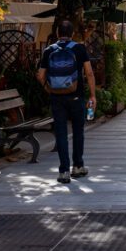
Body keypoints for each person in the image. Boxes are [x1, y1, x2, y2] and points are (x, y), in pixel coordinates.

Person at [37, 21, 96, 184]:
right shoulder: (79, 48)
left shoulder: (49, 50)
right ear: (72, 34)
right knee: (78, 132)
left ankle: (63, 171)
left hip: (57, 98)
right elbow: (89, 73)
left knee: (61, 134)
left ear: (57, 33)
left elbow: (40, 76)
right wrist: (93, 95)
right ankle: (78, 167)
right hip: (76, 96)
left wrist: (50, 90)